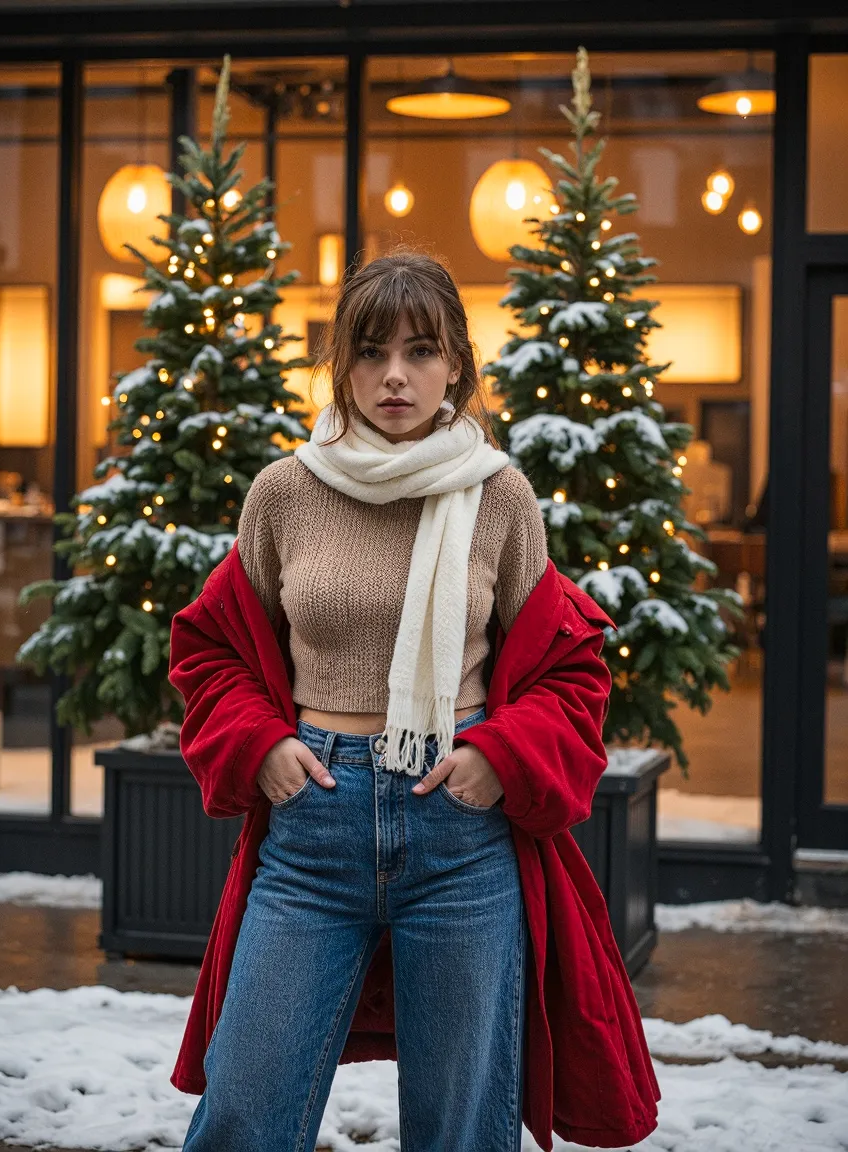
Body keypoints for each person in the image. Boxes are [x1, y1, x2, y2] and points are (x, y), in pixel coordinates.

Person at [169, 250, 661, 1152]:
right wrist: (264, 746)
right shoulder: (285, 492)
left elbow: (573, 663)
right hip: (313, 827)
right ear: (340, 365)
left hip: (460, 836)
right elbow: (212, 648)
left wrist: (498, 758)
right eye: (370, 351)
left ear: (458, 367)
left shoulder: (499, 496)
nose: (395, 375)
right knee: (244, 1110)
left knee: (463, 1128)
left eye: (421, 351)